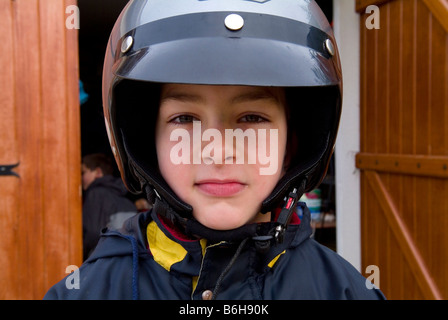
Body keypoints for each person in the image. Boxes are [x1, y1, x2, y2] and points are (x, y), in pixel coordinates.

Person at [45, 0, 385, 300]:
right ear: (148, 144)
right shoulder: (86, 292)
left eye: (251, 117)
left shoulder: (345, 292)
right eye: (185, 119)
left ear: (293, 144)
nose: (219, 152)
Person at [81, 153, 137, 260]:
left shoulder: (95, 193)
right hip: (129, 260)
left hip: (105, 259)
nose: (80, 178)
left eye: (83, 172)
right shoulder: (125, 198)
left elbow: (93, 234)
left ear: (98, 172)